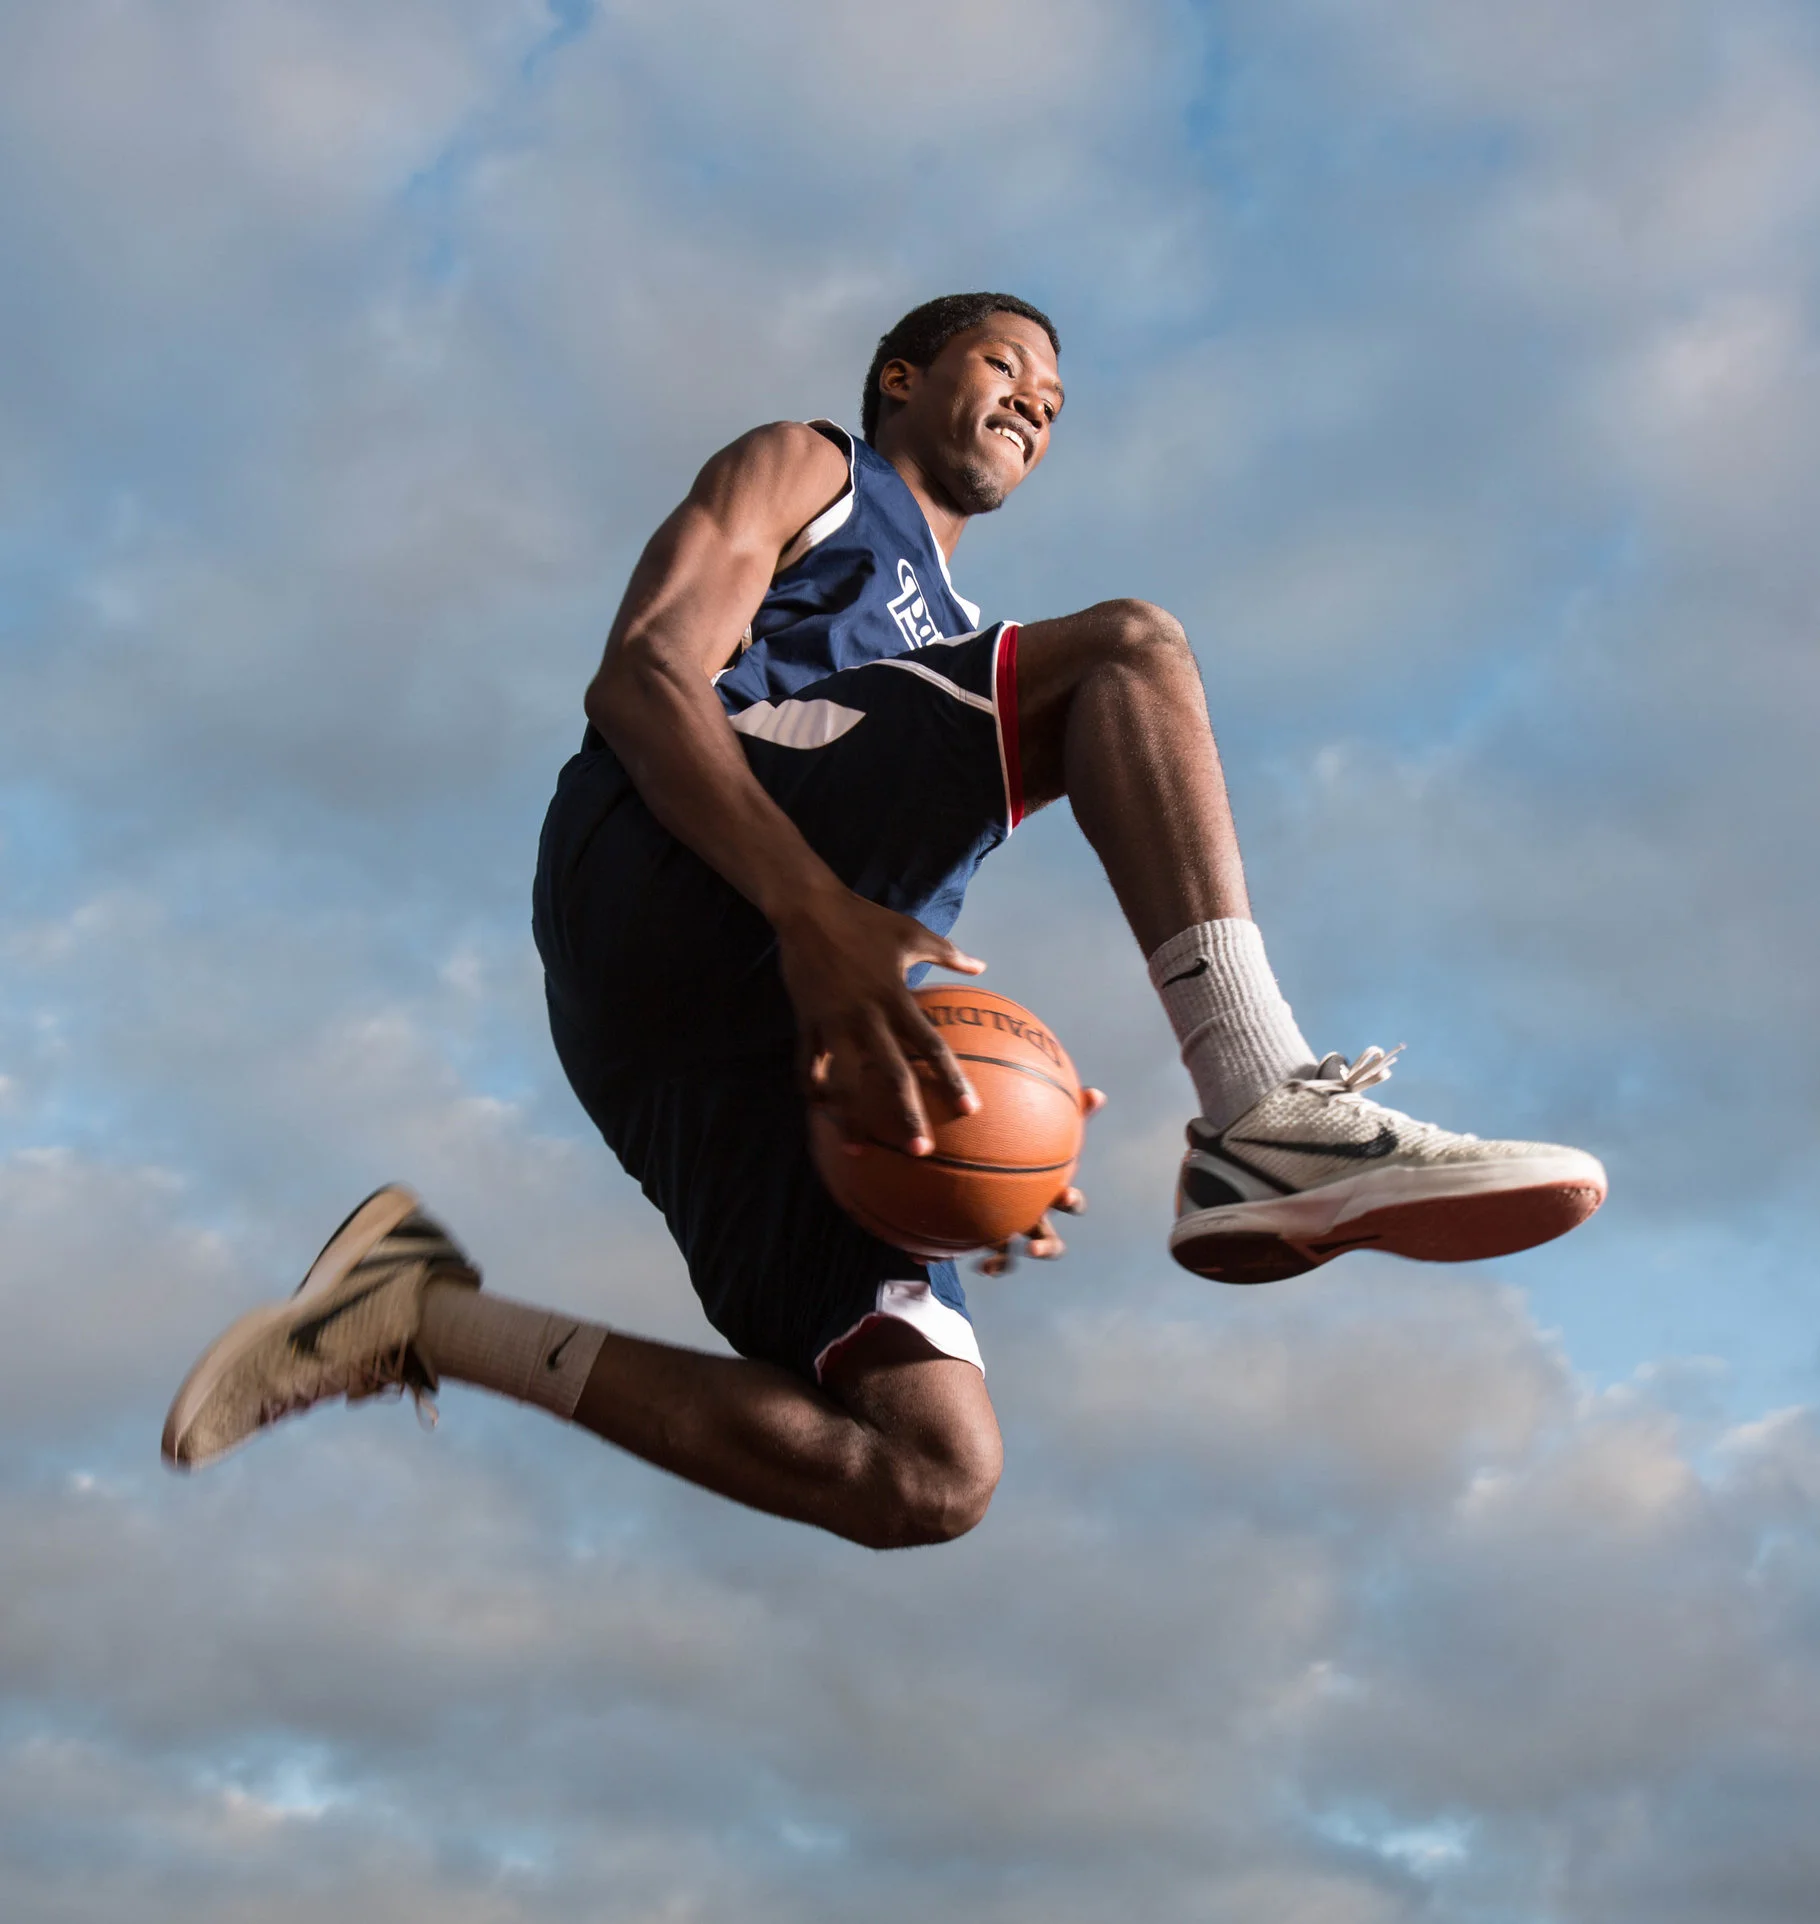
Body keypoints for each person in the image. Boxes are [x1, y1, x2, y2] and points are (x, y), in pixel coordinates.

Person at [161, 294, 1607, 1548]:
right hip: (665, 877)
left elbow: (894, 931)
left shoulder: (953, 671)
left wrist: (967, 1141)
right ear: (905, 378)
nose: (1035, 401)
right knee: (1132, 657)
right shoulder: (820, 470)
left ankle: (425, 1316)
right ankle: (1262, 1109)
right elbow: (643, 678)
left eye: (1054, 403)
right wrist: (804, 909)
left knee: (931, 1471)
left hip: (729, 1047)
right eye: (1005, 365)